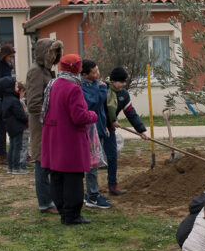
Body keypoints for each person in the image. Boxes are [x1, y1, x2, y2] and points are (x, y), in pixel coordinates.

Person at [41, 54, 97, 225]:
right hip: (70, 139)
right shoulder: (73, 88)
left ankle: (63, 210)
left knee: (57, 176)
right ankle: (72, 215)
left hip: (53, 135)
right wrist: (92, 115)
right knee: (72, 178)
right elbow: (79, 116)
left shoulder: (53, 84)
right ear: (77, 68)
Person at [26, 38, 63, 215]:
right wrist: (51, 115)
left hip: (51, 125)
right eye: (53, 52)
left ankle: (53, 199)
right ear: (45, 53)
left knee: (50, 163)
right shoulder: (35, 72)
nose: (56, 55)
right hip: (41, 126)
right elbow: (33, 103)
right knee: (41, 164)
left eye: (57, 52)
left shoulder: (48, 71)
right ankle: (45, 203)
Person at [103, 66, 148, 196]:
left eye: (124, 82)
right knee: (93, 160)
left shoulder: (123, 94)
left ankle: (112, 186)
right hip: (96, 128)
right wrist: (107, 122)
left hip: (110, 130)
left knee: (112, 157)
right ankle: (91, 193)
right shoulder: (102, 90)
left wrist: (141, 130)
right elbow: (97, 110)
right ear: (113, 80)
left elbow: (131, 113)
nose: (123, 84)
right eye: (121, 82)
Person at [80, 59, 111, 209]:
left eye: (98, 70)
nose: (98, 74)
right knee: (92, 164)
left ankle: (93, 193)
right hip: (89, 131)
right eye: (94, 72)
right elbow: (92, 103)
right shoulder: (82, 87)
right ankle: (92, 196)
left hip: (99, 127)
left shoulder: (95, 85)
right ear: (85, 74)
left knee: (95, 163)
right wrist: (102, 89)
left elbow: (101, 110)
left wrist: (104, 126)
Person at [0, 76, 29, 175]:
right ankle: (16, 167)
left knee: (12, 146)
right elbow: (19, 114)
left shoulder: (5, 98)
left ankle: (11, 167)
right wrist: (27, 119)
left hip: (10, 127)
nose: (16, 88)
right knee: (17, 147)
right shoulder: (13, 100)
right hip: (17, 127)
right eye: (15, 85)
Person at [17, 82, 31, 170]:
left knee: (21, 145)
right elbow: (25, 113)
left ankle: (23, 159)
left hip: (20, 127)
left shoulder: (18, 101)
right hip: (23, 127)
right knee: (23, 145)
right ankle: (21, 163)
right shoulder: (21, 102)